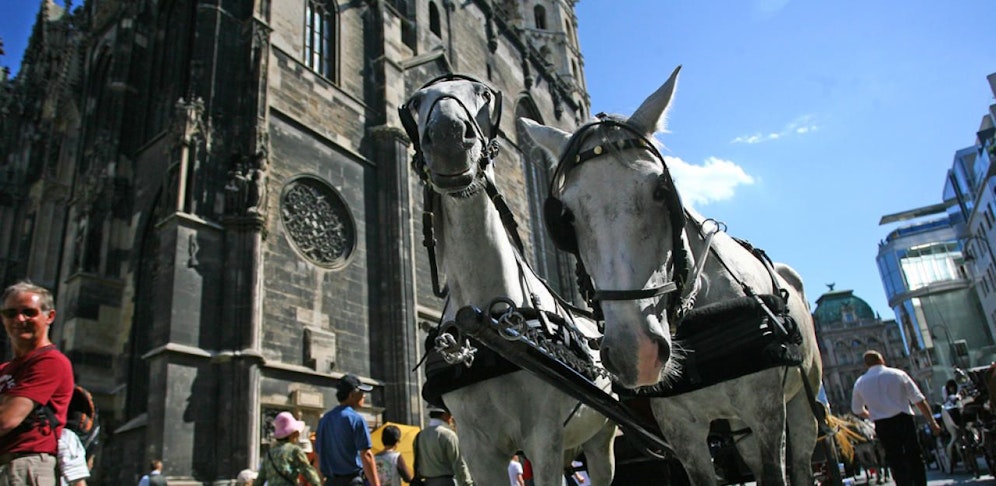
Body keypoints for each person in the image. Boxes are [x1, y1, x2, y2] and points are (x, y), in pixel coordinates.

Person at [0, 280, 75, 484]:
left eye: (29, 312)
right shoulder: (5, 369)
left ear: (49, 316)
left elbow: (6, 420)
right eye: (10, 313)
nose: (19, 319)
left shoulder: (50, 361)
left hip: (24, 466)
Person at [852, 350, 941, 486]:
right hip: (904, 420)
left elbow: (857, 409)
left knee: (895, 459)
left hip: (882, 425)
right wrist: (932, 422)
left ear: (866, 365)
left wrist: (872, 415)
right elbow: (919, 400)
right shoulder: (898, 374)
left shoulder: (860, 383)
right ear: (882, 360)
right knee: (914, 456)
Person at [316, 374, 380, 486]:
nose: (364, 396)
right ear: (352, 395)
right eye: (361, 393)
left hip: (331, 482)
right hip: (351, 481)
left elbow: (318, 456)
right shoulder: (356, 419)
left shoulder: (324, 420)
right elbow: (366, 455)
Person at [414, 404, 473, 486]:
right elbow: (458, 464)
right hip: (446, 482)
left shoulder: (420, 435)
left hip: (427, 483)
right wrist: (467, 483)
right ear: (445, 415)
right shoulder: (448, 435)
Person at [257, 411, 320, 486]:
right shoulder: (294, 451)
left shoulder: (269, 454)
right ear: (292, 434)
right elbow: (307, 471)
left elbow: (260, 479)